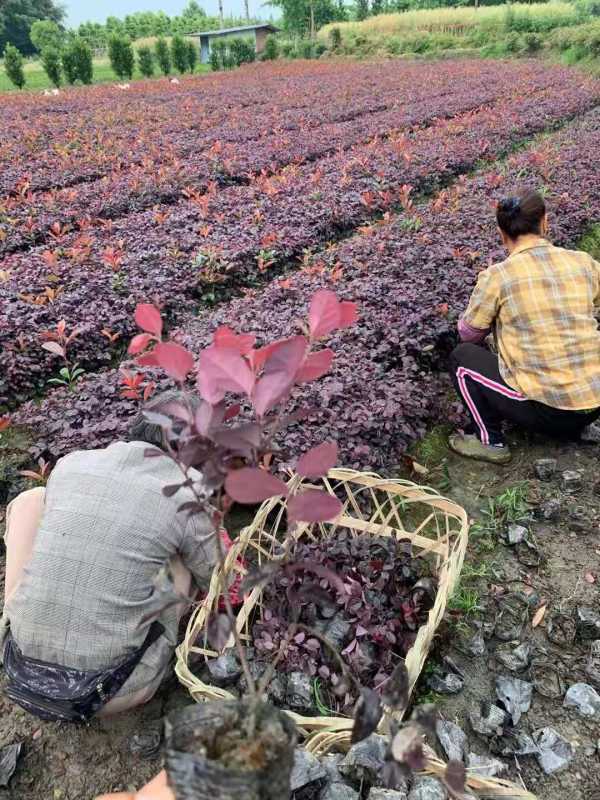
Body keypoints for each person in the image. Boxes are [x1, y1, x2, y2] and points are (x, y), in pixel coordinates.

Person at [0, 392, 216, 721]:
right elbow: (214, 572)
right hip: (105, 693)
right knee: (182, 563)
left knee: (33, 500)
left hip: (17, 669)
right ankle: (148, 667)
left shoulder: (72, 463)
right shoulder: (191, 489)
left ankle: (21, 618)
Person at [449, 189, 600, 464]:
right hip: (595, 403)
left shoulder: (498, 276)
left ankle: (490, 442)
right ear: (545, 222)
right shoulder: (583, 262)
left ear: (501, 232)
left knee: (461, 359)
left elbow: (468, 334)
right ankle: (582, 422)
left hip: (550, 413)